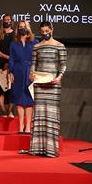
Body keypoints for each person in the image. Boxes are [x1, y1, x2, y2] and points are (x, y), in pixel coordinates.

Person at [29, 21, 67, 157]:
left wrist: (59, 77)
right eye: (43, 32)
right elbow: (33, 64)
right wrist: (32, 74)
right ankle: (37, 148)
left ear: (52, 29)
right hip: (40, 84)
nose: (45, 33)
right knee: (39, 114)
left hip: (53, 85)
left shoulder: (60, 46)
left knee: (51, 115)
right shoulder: (37, 47)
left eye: (47, 31)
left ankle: (51, 150)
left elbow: (63, 65)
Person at [9, 20, 38, 134]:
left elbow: (37, 58)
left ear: (28, 28)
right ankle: (21, 126)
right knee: (19, 99)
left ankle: (28, 127)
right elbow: (11, 59)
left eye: (24, 27)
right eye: (20, 27)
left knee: (29, 100)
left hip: (30, 72)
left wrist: (35, 72)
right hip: (18, 71)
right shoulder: (14, 43)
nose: (22, 28)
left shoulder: (34, 42)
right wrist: (11, 72)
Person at [0, 14, 15, 117]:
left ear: (11, 21)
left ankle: (9, 111)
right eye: (5, 20)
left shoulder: (15, 34)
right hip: (0, 63)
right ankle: (3, 111)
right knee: (0, 88)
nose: (7, 21)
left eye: (8, 20)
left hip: (12, 63)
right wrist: (6, 57)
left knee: (12, 88)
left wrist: (11, 60)